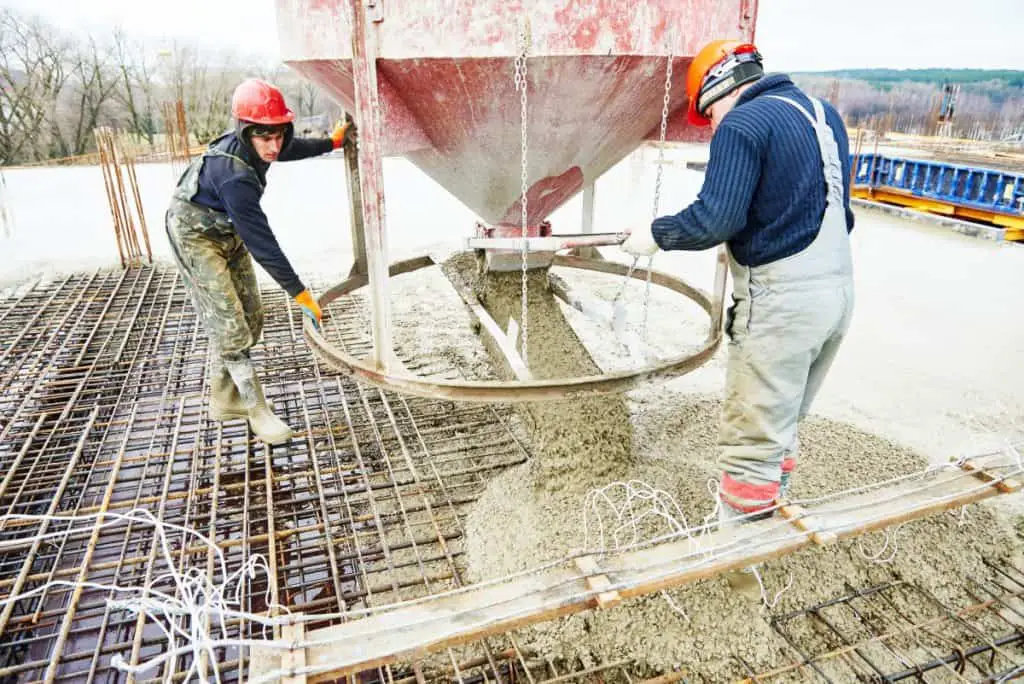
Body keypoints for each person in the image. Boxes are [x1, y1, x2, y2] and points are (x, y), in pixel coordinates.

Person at [620, 40, 856, 523]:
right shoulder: (822, 114)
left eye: (710, 114)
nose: (714, 126)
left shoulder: (744, 123)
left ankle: (741, 566)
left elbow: (714, 220)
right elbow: (839, 213)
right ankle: (771, 514)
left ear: (719, 88)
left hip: (781, 306)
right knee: (783, 422)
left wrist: (655, 234)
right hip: (837, 297)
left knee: (752, 442)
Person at [165, 77, 355, 445]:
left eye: (278, 135)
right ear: (245, 132)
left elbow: (290, 148)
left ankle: (224, 397)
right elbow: (262, 243)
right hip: (195, 235)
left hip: (226, 228)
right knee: (230, 323)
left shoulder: (263, 145)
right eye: (264, 138)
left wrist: (330, 143)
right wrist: (299, 293)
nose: (273, 146)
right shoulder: (235, 176)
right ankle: (255, 409)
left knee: (252, 315)